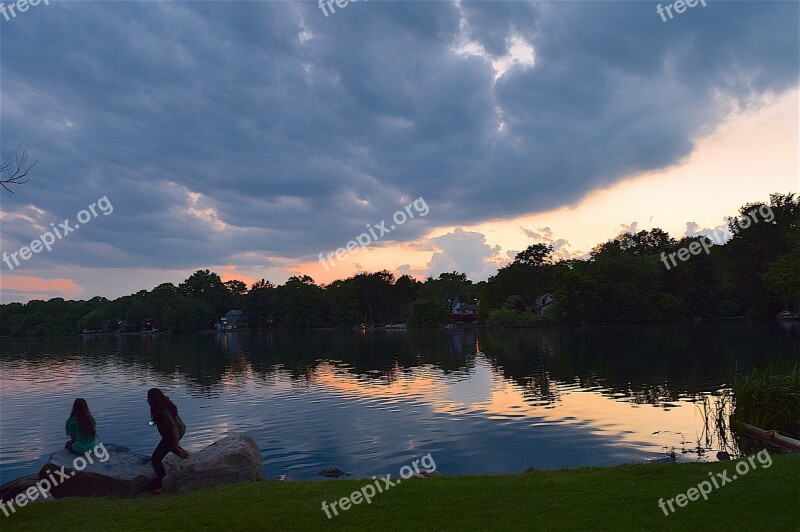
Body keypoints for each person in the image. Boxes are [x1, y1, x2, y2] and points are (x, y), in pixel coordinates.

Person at [147, 388, 188, 490]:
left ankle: (162, 483)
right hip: (175, 431)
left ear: (153, 399)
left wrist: (175, 443)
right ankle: (188, 460)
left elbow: (173, 428)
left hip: (174, 433)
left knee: (155, 458)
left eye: (149, 398)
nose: (147, 400)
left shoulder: (162, 410)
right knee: (171, 448)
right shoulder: (162, 406)